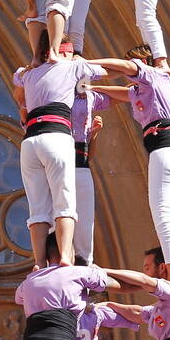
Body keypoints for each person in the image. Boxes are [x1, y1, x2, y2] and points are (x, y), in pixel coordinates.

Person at [88, 46, 170, 289]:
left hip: (165, 150)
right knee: (165, 216)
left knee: (163, 216)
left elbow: (126, 69)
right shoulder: (144, 91)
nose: (130, 71)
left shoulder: (154, 75)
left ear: (144, 62)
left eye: (134, 65)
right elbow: (120, 92)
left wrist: (84, 65)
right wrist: (90, 87)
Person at [13, 233, 159, 340]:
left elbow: (18, 298)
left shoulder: (31, 279)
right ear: (69, 251)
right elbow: (123, 287)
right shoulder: (78, 272)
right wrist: (152, 284)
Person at [11, 33, 105, 268]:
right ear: (60, 50)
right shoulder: (69, 68)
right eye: (70, 51)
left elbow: (17, 88)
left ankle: (39, 262)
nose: (73, 55)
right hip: (56, 136)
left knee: (38, 207)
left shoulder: (28, 74)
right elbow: (108, 69)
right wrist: (138, 70)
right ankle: (64, 257)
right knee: (65, 204)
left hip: (30, 141)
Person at [70, 88, 109, 265]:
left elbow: (88, 157)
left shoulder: (87, 104)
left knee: (85, 225)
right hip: (62, 169)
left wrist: (94, 133)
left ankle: (84, 263)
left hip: (81, 168)